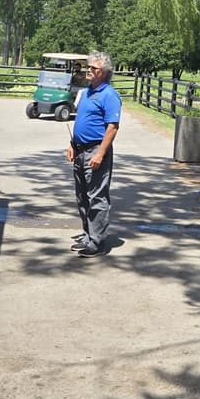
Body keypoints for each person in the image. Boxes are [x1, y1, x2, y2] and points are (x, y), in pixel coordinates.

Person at [67, 51, 122, 258]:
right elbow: (81, 121)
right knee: (82, 195)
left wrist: (100, 153)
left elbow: (112, 128)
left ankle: (97, 242)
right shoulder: (87, 92)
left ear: (104, 72)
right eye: (88, 67)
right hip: (80, 149)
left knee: (97, 196)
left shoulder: (109, 95)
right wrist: (72, 143)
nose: (88, 71)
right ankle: (87, 234)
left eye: (93, 68)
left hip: (95, 150)